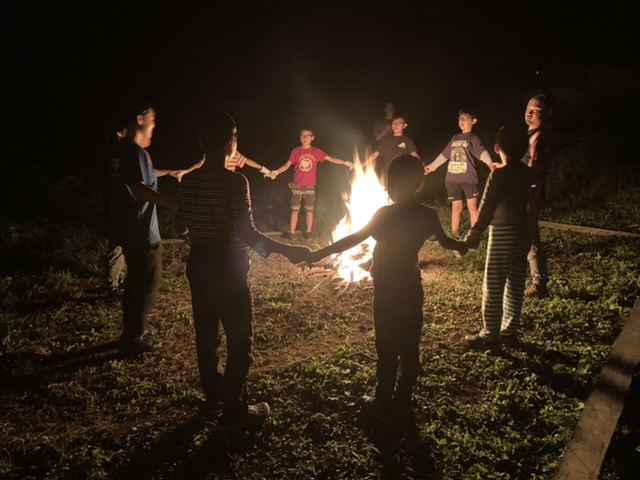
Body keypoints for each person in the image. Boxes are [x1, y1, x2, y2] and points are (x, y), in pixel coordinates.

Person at [177, 111, 311, 432]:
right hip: (229, 267)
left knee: (207, 339)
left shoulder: (189, 181)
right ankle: (234, 412)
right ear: (231, 142)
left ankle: (215, 399)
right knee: (241, 341)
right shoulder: (236, 182)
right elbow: (247, 235)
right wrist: (289, 251)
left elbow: (181, 226)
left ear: (202, 142)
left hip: (199, 263)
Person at [306, 155, 466, 422]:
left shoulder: (384, 214)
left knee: (387, 346)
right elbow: (445, 241)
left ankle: (382, 402)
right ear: (419, 184)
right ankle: (403, 399)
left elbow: (354, 238)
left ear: (391, 185)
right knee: (410, 342)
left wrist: (321, 253)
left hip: (387, 290)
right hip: (411, 288)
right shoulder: (427, 215)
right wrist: (461, 245)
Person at [106, 102, 178, 356]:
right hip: (142, 230)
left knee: (135, 283)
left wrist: (169, 172)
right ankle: (134, 339)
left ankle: (129, 333)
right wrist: (172, 203)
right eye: (152, 120)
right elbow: (138, 187)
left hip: (127, 227)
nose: (154, 125)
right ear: (140, 119)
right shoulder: (135, 151)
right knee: (146, 283)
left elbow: (141, 174)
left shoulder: (121, 149)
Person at [462, 125, 532, 349]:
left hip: (502, 234)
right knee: (515, 284)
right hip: (523, 233)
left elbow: (487, 205)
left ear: (497, 148)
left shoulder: (499, 174)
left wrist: (476, 231)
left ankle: (490, 335)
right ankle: (509, 331)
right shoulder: (528, 173)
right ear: (525, 149)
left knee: (493, 284)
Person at [269, 129, 353, 239]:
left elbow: (331, 159)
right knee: (295, 210)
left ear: (312, 138)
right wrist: (276, 172)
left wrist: (346, 163)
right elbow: (286, 165)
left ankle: (308, 232)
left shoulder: (316, 152)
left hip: (310, 186)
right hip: (296, 185)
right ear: (300, 137)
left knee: (309, 210)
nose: (305, 138)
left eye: (307, 136)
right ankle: (292, 232)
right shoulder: (296, 151)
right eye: (302, 135)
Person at [424, 108, 495, 236]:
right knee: (456, 207)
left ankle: (475, 234)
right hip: (452, 180)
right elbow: (444, 155)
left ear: (474, 121)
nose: (462, 121)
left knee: (472, 207)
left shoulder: (473, 138)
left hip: (469, 179)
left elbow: (481, 152)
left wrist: (490, 164)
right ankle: (454, 233)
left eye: (465, 118)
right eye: (460, 118)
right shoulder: (454, 138)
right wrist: (431, 167)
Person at [522, 93, 553, 298]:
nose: (530, 113)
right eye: (528, 109)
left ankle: (539, 284)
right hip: (525, 192)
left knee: (529, 234)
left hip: (530, 193)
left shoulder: (539, 137)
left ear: (547, 114)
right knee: (524, 233)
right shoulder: (530, 134)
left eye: (536, 110)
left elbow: (533, 166)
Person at [366, 113, 420, 189]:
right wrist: (361, 165)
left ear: (404, 126)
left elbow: (414, 155)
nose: (396, 124)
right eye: (394, 122)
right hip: (388, 176)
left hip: (402, 175)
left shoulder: (407, 141)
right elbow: (374, 155)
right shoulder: (386, 141)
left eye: (399, 122)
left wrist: (421, 166)